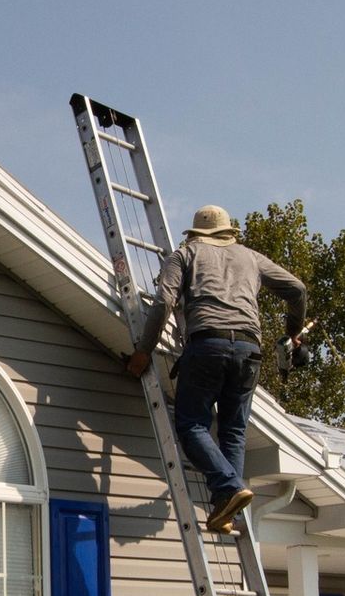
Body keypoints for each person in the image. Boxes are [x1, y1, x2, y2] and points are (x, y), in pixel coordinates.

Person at [126, 206, 309, 532]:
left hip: (208, 343)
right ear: (228, 232)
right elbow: (297, 289)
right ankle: (227, 511)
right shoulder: (250, 257)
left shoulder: (184, 255)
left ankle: (229, 488)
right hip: (250, 350)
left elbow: (164, 302)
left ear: (196, 233)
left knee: (192, 424)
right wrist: (293, 331)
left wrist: (144, 350)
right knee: (233, 431)